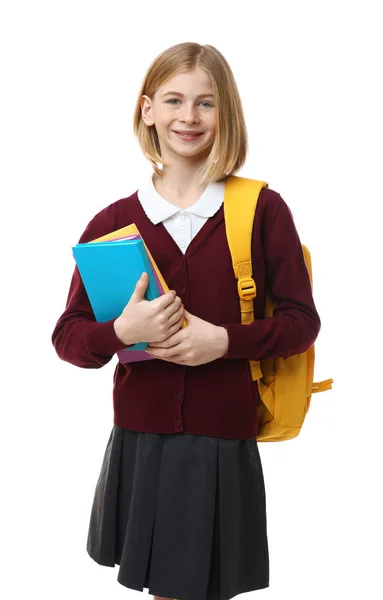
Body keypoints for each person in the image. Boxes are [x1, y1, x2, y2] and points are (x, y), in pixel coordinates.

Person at [51, 42, 321, 600]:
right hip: (140, 439)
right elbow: (69, 338)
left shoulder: (262, 210)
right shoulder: (114, 221)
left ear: (228, 112)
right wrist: (120, 333)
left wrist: (221, 341)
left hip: (221, 439)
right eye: (174, 100)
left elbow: (301, 322)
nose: (188, 117)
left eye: (206, 103)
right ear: (148, 109)